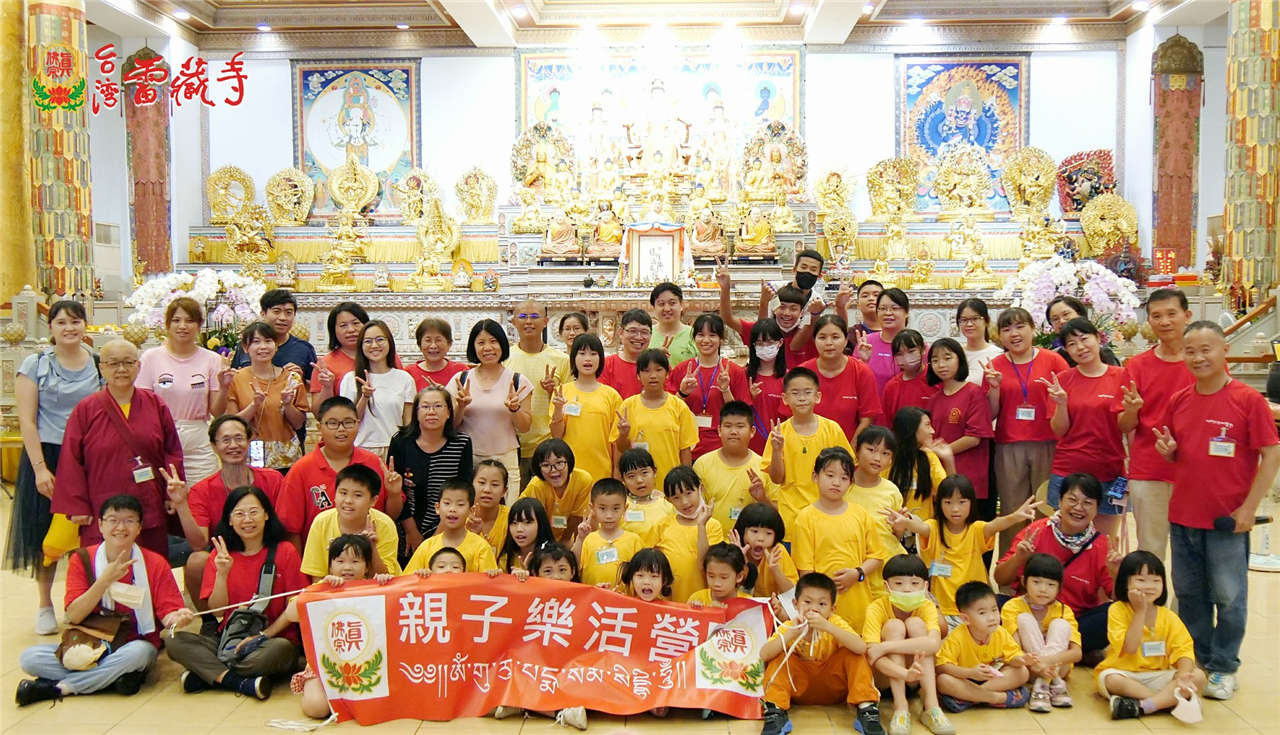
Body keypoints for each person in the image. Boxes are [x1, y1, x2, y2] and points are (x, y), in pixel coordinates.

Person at [1154, 320, 1280, 700]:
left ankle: (1224, 666)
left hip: (1227, 520)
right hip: (1183, 516)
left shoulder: (1248, 400)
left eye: (1206, 349)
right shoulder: (1180, 400)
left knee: (1229, 597)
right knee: (1189, 594)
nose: (1198, 357)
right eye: (1190, 351)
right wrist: (1169, 452)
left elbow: (1271, 453)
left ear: (1225, 350)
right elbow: (1182, 452)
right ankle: (1197, 663)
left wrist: (1249, 508)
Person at [15, 495, 195, 706]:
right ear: (100, 525)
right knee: (30, 658)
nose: (121, 527)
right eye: (113, 520)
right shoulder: (82, 559)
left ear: (139, 527)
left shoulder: (154, 563)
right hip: (89, 644)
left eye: (129, 520)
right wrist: (104, 581)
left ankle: (61, 688)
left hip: (131, 645)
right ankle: (114, 678)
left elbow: (169, 613)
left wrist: (177, 618)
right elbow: (73, 616)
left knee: (140, 653)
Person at [8, 300, 101, 634]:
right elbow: (27, 421)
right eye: (61, 322)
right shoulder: (35, 364)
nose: (69, 328)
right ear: (50, 328)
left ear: (85, 325)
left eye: (75, 322)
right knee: (44, 532)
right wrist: (39, 469)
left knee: (89, 531)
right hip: (47, 454)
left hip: (87, 457)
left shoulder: (98, 363)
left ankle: (87, 601)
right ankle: (45, 603)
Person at [167, 486, 308, 699]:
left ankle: (208, 674)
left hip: (271, 639)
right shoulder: (220, 555)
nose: (247, 520)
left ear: (266, 515)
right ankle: (239, 682)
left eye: (254, 512)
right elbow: (217, 612)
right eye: (239, 514)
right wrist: (222, 574)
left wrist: (261, 637)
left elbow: (295, 607)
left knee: (280, 650)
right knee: (173, 640)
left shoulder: (285, 551)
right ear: (230, 520)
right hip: (229, 640)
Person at [52, 339, 183, 557]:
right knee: (102, 566)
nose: (121, 369)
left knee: (149, 563)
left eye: (128, 363)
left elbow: (172, 451)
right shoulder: (86, 409)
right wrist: (77, 505)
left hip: (147, 500)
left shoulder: (155, 404)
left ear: (138, 366)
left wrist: (171, 493)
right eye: (113, 363)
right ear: (101, 368)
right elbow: (70, 459)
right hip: (101, 505)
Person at [885, 476, 1038, 628]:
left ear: (971, 503)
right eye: (948, 502)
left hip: (976, 608)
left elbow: (995, 525)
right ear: (939, 503)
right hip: (943, 609)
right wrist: (905, 522)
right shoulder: (933, 528)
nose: (955, 509)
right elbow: (919, 527)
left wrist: (1015, 517)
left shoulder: (976, 529)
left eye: (962, 502)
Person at [993, 472, 1117, 655]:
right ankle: (1070, 653)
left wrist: (1116, 573)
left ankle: (1040, 649)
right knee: (992, 604)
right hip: (1026, 615)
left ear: (1097, 508)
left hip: (1072, 622)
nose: (1079, 508)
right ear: (1059, 501)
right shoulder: (1036, 531)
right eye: (1072, 500)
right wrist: (1018, 558)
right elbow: (1000, 579)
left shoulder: (1101, 546)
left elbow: (1119, 598)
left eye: (1087, 503)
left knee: (1114, 613)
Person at [168, 415, 285, 608]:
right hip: (225, 554)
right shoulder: (202, 490)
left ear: (249, 440)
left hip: (266, 549)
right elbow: (199, 544)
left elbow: (283, 527)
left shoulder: (273, 479)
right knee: (197, 561)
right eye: (226, 440)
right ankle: (209, 621)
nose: (233, 445)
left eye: (239, 438)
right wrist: (181, 505)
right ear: (214, 446)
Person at [1115, 288, 1194, 560]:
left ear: (1187, 315)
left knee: (1193, 552)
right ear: (1148, 321)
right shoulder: (1137, 366)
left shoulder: (1204, 362)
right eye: (1157, 316)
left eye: (1172, 314)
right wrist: (1132, 410)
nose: (1165, 321)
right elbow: (1123, 425)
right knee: (1151, 549)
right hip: (1149, 471)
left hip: (1195, 470)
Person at [984, 307, 1069, 555]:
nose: (1014, 334)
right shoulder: (995, 365)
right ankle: (1010, 568)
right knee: (1012, 509)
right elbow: (990, 414)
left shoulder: (1054, 361)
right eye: (1007, 329)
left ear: (1033, 329)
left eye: (1020, 326)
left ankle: (1044, 566)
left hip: (1048, 443)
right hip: (1009, 446)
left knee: (1046, 507)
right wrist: (994, 388)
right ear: (1000, 336)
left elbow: (1067, 401)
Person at [759, 572, 884, 735]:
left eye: (822, 604)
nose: (814, 608)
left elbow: (861, 648)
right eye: (807, 602)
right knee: (779, 655)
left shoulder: (835, 622)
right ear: (795, 604)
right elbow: (764, 655)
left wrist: (828, 627)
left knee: (853, 653)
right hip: (798, 691)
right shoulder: (790, 626)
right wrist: (791, 634)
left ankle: (867, 710)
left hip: (834, 688)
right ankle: (775, 712)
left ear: (833, 609)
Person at [288, 534, 393, 719]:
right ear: (330, 566)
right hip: (324, 666)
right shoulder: (322, 588)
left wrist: (389, 584)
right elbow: (291, 614)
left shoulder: (376, 587)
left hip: (369, 666)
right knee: (316, 708)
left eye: (355, 561)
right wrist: (321, 589)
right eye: (340, 561)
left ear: (367, 566)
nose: (347, 567)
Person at [1095, 551, 1205, 720]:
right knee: (1110, 679)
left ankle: (1144, 706)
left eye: (1156, 581)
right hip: (1125, 673)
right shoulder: (1117, 610)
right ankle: (1167, 701)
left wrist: (1183, 675)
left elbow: (1183, 649)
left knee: (1198, 676)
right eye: (1141, 580)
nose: (1149, 586)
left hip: (1159, 674)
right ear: (1125, 582)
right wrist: (1140, 612)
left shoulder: (1168, 616)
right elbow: (1130, 648)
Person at [791, 447, 889, 632]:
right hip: (822, 609)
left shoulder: (860, 514)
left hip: (858, 605)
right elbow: (805, 571)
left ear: (851, 483)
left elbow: (877, 556)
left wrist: (858, 573)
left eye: (844, 478)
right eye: (830, 475)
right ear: (815, 477)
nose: (836, 483)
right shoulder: (805, 518)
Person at [1045, 317, 1127, 536]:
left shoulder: (1121, 376)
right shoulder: (1062, 380)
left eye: (1084, 339)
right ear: (1066, 350)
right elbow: (1059, 431)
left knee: (1105, 541)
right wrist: (1061, 404)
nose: (1080, 347)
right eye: (1072, 344)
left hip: (1109, 470)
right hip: (1069, 469)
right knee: (1064, 538)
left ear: (1098, 338)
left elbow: (1128, 426)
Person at [276, 396, 394, 546]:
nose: (341, 429)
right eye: (332, 423)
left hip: (369, 554)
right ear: (319, 427)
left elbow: (390, 514)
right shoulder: (301, 469)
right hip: (318, 557)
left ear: (358, 424)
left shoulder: (374, 463)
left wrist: (394, 493)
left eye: (348, 422)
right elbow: (291, 529)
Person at [136, 297, 226, 482]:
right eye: (176, 320)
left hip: (198, 442)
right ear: (167, 324)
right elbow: (142, 405)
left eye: (189, 320)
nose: (183, 326)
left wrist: (224, 387)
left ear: (199, 325)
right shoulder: (150, 358)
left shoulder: (212, 359)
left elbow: (217, 411)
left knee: (202, 493)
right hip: (161, 438)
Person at [862, 554, 950, 735]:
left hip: (918, 676)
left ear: (925, 586)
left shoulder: (926, 606)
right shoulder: (876, 608)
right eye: (899, 583)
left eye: (915, 583)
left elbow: (933, 644)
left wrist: (886, 647)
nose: (907, 589)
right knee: (894, 626)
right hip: (885, 678)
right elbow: (872, 655)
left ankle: (932, 707)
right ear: (886, 586)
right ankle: (900, 708)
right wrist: (904, 673)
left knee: (916, 624)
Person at [763, 367, 853, 535]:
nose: (802, 398)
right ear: (785, 398)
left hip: (827, 515)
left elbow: (848, 471)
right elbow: (776, 479)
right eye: (795, 393)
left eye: (807, 392)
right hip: (791, 517)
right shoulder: (779, 433)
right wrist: (777, 450)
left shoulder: (832, 429)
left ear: (817, 396)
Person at [448, 319, 533, 494]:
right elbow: (450, 426)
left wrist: (514, 409)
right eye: (481, 343)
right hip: (469, 459)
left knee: (506, 508)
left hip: (506, 459)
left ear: (502, 344)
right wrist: (461, 407)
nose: (487, 348)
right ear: (473, 347)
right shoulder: (460, 380)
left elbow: (525, 427)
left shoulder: (518, 381)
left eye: (493, 341)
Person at [387, 386, 472, 555]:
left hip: (447, 524)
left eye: (438, 406)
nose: (431, 412)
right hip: (405, 525)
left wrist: (436, 538)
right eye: (425, 407)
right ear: (416, 413)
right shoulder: (401, 441)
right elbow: (397, 491)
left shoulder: (461, 443)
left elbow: (463, 490)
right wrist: (411, 531)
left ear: (449, 412)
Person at [1001, 553, 1082, 712]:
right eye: (1036, 582)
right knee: (1025, 619)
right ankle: (1051, 684)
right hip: (1028, 668)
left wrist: (1045, 662)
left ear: (1059, 587)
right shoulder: (1012, 607)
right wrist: (1037, 665)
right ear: (1024, 581)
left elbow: (1076, 653)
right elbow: (1014, 649)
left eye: (1051, 584)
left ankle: (1042, 685)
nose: (1043, 589)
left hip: (1059, 668)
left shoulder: (1064, 610)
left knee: (1060, 624)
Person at [925, 339, 995, 520]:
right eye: (935, 360)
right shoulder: (933, 400)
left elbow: (974, 437)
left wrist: (943, 451)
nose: (941, 364)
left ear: (960, 360)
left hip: (971, 476)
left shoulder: (974, 392)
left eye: (947, 358)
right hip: (942, 475)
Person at [224, 322, 309, 468]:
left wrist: (288, 405)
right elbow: (232, 424)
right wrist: (254, 405)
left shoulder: (291, 378)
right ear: (245, 347)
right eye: (256, 342)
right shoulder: (236, 379)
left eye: (268, 341)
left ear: (276, 346)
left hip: (286, 456)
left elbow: (298, 423)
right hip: (249, 454)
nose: (263, 347)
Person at [935, 581, 1031, 711]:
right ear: (965, 619)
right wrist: (970, 673)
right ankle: (999, 698)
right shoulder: (957, 636)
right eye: (982, 613)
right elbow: (942, 667)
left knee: (1022, 671)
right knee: (943, 681)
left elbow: (1013, 656)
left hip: (991, 681)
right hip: (965, 679)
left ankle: (969, 698)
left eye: (994, 610)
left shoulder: (1000, 632)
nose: (992, 617)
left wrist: (1023, 659)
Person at [507, 299, 571, 490]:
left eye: (534, 316)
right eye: (523, 316)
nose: (528, 321)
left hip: (548, 449)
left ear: (546, 321)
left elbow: (569, 406)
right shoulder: (504, 359)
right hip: (512, 446)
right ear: (513, 322)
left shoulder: (562, 360)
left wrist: (552, 391)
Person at [668, 313, 751, 458]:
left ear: (721, 339)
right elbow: (669, 412)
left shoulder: (734, 371)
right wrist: (682, 393)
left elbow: (741, 416)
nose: (706, 340)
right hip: (687, 448)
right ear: (694, 338)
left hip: (723, 449)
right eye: (701, 335)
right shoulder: (682, 370)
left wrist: (725, 390)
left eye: (712, 335)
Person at [299, 464, 401, 578]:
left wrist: (372, 547)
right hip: (334, 588)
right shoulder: (321, 522)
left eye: (357, 495)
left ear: (373, 500)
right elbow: (317, 577)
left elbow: (385, 579)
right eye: (343, 493)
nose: (348, 501)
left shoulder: (385, 524)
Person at [613, 349, 698, 480]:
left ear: (667, 374)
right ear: (638, 375)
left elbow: (685, 450)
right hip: (637, 484)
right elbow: (621, 450)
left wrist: (685, 482)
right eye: (646, 371)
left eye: (658, 370)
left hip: (670, 483)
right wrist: (623, 434)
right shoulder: (627, 406)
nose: (653, 375)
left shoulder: (679, 407)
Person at [551, 332, 622, 483]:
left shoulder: (611, 395)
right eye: (582, 353)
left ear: (601, 358)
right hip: (569, 472)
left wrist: (616, 472)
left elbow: (616, 442)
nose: (588, 359)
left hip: (602, 473)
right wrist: (558, 409)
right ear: (573, 358)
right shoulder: (562, 392)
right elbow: (556, 436)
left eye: (593, 354)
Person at [718, 259, 816, 369]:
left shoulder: (807, 335)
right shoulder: (757, 330)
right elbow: (727, 319)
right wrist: (725, 288)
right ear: (774, 308)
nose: (787, 313)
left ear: (801, 312)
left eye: (793, 309)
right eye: (782, 307)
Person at [694, 401, 775, 531]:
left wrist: (762, 499)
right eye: (728, 426)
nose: (733, 432)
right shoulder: (702, 464)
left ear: (752, 431)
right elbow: (694, 510)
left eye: (740, 426)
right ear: (719, 430)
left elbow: (777, 515)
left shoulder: (764, 467)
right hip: (712, 539)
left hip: (750, 541)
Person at [338, 319, 415, 457]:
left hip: (395, 450)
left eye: (380, 339)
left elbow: (408, 422)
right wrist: (364, 397)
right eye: (368, 341)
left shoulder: (404, 378)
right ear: (361, 346)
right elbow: (348, 420)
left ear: (389, 342)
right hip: (360, 449)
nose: (374, 345)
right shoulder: (351, 379)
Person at [844, 426, 906, 594]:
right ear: (857, 450)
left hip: (887, 572)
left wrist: (900, 528)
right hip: (852, 571)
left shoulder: (892, 491)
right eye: (871, 450)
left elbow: (895, 536)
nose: (877, 458)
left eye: (885, 453)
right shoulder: (843, 487)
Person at [800, 315, 882, 442]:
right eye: (822, 337)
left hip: (848, 448)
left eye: (835, 337)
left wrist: (851, 449)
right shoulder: (802, 373)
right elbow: (792, 415)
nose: (829, 343)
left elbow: (867, 418)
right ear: (814, 340)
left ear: (845, 340)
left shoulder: (862, 371)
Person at [311, 302, 406, 409]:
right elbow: (318, 411)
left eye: (356, 323)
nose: (351, 330)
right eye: (343, 325)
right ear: (333, 330)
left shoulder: (386, 356)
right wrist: (327, 387)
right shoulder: (325, 365)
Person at [657, 465, 724, 602]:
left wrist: (701, 526)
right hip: (671, 603)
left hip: (704, 603)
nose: (685, 502)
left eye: (689, 493)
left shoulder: (713, 526)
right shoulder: (662, 526)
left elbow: (704, 564)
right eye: (676, 497)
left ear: (700, 488)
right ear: (668, 500)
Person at [403, 480, 498, 574]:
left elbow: (489, 581)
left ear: (471, 510)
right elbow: (407, 579)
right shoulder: (426, 547)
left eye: (460, 504)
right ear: (437, 508)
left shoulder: (481, 547)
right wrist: (421, 576)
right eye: (447, 503)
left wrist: (492, 574)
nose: (452, 509)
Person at [229, 289, 317, 384]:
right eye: (276, 311)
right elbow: (233, 381)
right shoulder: (248, 345)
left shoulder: (304, 349)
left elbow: (314, 386)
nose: (283, 318)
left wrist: (300, 379)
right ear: (263, 314)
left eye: (288, 312)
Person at [520, 438, 593, 544]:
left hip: (565, 537)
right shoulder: (536, 485)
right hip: (537, 538)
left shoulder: (583, 480)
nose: (553, 470)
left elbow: (577, 516)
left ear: (569, 462)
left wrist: (564, 541)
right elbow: (533, 523)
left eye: (559, 463)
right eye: (546, 465)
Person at [574, 478, 643, 588]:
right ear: (592, 508)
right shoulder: (588, 539)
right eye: (602, 508)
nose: (609, 515)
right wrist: (580, 539)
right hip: (594, 597)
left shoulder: (634, 540)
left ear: (625, 508)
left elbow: (642, 572)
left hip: (623, 598)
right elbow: (573, 566)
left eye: (616, 508)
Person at [886, 407, 949, 522]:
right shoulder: (887, 457)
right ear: (912, 428)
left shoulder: (929, 457)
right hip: (890, 525)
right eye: (927, 425)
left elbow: (948, 493)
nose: (932, 431)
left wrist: (949, 460)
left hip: (923, 527)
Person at [744, 319, 790, 456]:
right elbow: (736, 413)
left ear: (780, 343)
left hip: (780, 446)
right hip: (749, 448)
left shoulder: (788, 378)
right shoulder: (744, 375)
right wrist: (749, 397)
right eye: (759, 343)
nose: (764, 347)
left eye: (769, 343)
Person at [731, 502, 796, 596]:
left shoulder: (777, 552)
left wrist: (775, 569)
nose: (761, 538)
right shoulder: (733, 550)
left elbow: (792, 594)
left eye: (768, 533)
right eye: (754, 531)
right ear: (742, 531)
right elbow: (725, 590)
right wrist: (738, 561)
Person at [858, 288, 911, 395]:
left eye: (894, 308)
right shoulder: (866, 342)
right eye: (882, 308)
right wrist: (863, 362)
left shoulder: (916, 345)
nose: (888, 313)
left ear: (906, 312)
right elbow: (854, 379)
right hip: (872, 404)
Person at [618, 447, 675, 545]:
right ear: (623, 479)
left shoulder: (668, 506)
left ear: (654, 471)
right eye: (631, 476)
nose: (639, 480)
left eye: (644, 473)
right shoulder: (618, 507)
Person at [1045, 296, 1121, 367]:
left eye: (1066, 314)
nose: (1062, 321)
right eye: (1055, 319)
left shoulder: (1103, 354)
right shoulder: (1053, 357)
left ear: (1080, 314)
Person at [881, 330, 934, 422]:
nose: (906, 357)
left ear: (923, 349)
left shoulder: (936, 379)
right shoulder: (891, 387)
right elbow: (885, 423)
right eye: (899, 354)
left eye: (911, 351)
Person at [759, 248, 826, 320]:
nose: (807, 271)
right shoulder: (774, 289)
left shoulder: (816, 301)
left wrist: (816, 314)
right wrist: (764, 302)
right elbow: (762, 324)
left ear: (819, 276)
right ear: (794, 270)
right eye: (803, 267)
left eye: (813, 270)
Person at [599, 309, 653, 399]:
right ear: (620, 332)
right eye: (633, 331)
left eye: (644, 332)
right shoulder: (606, 365)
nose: (638, 337)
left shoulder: (658, 365)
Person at [405, 317, 467, 391]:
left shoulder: (461, 371)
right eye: (428, 340)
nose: (433, 346)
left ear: (449, 344)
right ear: (419, 344)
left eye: (438, 340)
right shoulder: (408, 373)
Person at [496, 497, 556, 573]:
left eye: (527, 522)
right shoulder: (506, 558)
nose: (519, 529)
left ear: (541, 524)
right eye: (514, 523)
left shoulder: (553, 557)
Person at [955, 299, 1003, 386]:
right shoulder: (954, 353)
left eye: (975, 319)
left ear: (987, 321)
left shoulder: (998, 354)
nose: (969, 324)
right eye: (964, 320)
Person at [687, 542, 751, 607]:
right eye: (711, 576)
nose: (716, 583)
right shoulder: (697, 598)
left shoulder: (748, 603)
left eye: (724, 577)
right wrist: (696, 611)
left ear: (739, 576)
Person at [649, 282, 697, 365]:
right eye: (661, 304)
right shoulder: (645, 335)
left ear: (681, 305)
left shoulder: (695, 335)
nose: (667, 309)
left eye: (672, 303)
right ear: (654, 308)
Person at [469, 459, 510, 554]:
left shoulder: (511, 518)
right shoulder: (461, 517)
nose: (487, 490)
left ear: (504, 491)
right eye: (481, 483)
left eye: (495, 485)